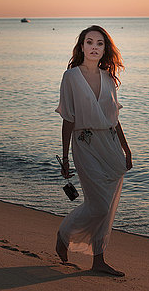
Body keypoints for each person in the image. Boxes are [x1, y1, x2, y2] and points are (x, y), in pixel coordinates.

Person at [55, 25, 132, 277]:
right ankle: (64, 234)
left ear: (104, 49)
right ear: (81, 46)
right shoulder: (71, 77)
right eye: (89, 42)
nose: (94, 48)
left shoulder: (109, 78)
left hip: (111, 146)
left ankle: (99, 259)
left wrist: (126, 149)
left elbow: (114, 117)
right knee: (98, 205)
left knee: (108, 208)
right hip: (85, 144)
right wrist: (65, 156)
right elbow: (68, 118)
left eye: (100, 43)